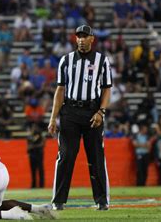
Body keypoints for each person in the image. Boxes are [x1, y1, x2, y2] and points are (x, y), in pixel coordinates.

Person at [48, 25, 112, 211]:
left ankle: (102, 201)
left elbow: (107, 88)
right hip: (70, 113)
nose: (82, 39)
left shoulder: (102, 60)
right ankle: (58, 201)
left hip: (93, 112)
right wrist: (53, 118)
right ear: (75, 39)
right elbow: (60, 90)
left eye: (85, 36)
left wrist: (101, 112)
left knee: (96, 157)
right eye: (79, 36)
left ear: (92, 39)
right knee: (66, 156)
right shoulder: (66, 61)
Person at [27, 123, 45, 189]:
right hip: (32, 155)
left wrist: (33, 146)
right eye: (33, 128)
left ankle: (41, 185)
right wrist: (33, 147)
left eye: (35, 127)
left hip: (39, 155)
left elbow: (42, 144)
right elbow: (28, 148)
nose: (34, 129)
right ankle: (33, 185)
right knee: (33, 171)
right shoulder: (30, 137)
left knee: (40, 170)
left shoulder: (41, 136)